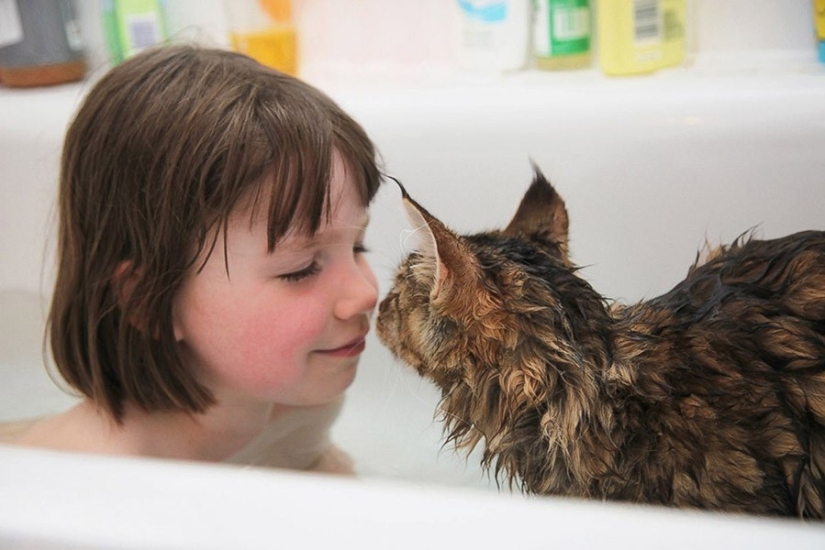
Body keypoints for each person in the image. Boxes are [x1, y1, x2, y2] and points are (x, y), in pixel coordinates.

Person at [0, 44, 382, 473]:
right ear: (148, 301)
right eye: (301, 269)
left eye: (358, 247)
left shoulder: (303, 400)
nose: (365, 293)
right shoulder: (92, 474)